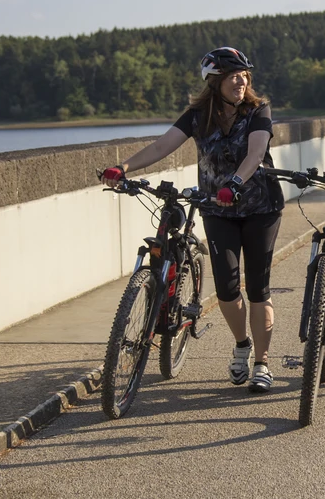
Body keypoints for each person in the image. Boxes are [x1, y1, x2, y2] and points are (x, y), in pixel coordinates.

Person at [99, 47, 284, 393]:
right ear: (214, 82)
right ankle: (242, 345)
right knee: (227, 289)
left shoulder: (257, 110)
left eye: (244, 75)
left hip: (260, 207)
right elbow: (161, 146)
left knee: (258, 289)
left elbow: (257, 152)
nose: (241, 82)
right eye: (233, 76)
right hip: (217, 208)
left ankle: (262, 363)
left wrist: (235, 183)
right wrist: (123, 167)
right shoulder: (198, 116)